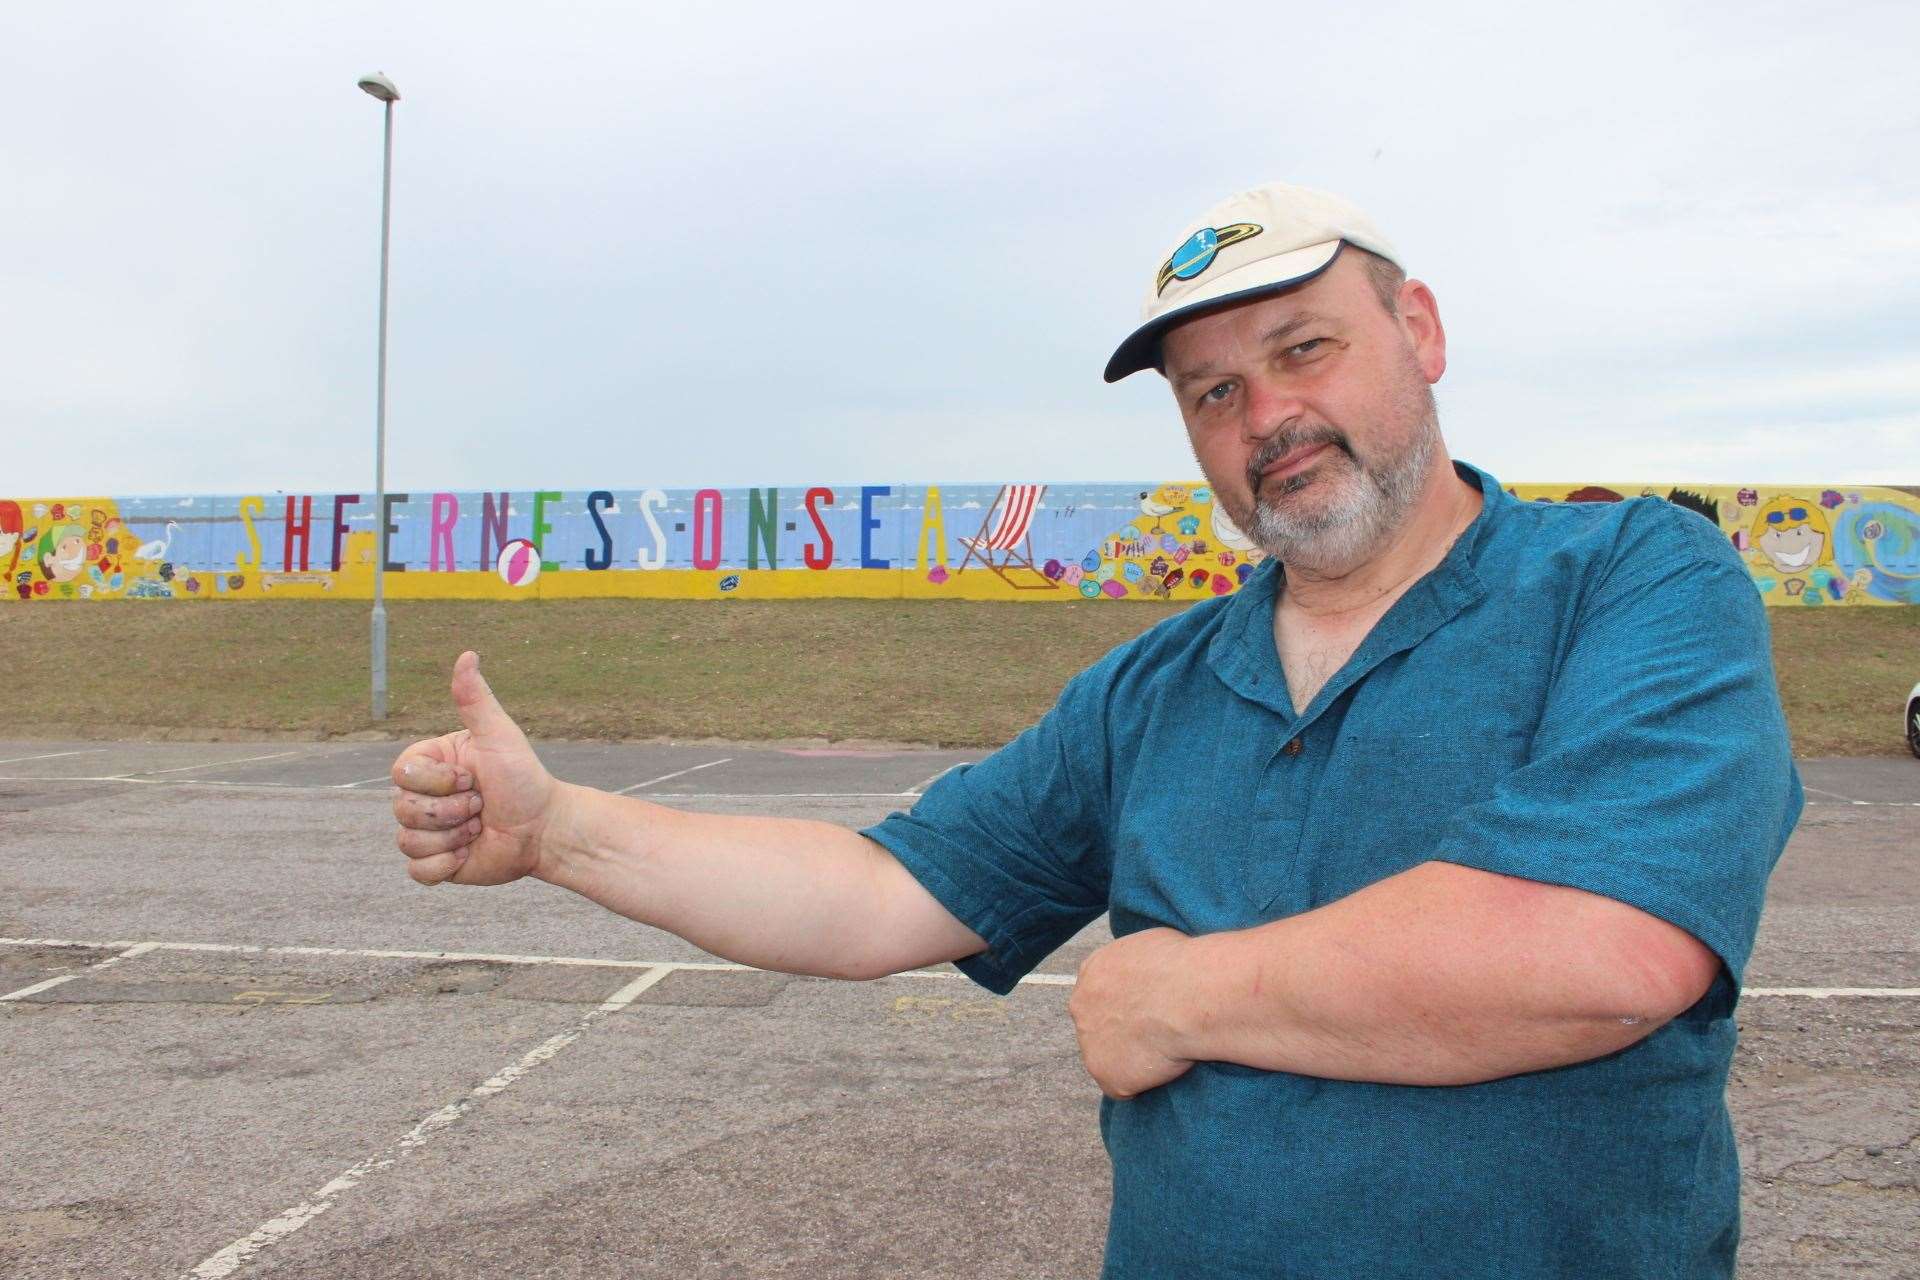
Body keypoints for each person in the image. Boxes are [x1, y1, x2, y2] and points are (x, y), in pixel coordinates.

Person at [390, 181, 1801, 1279]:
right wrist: (561, 831)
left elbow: (1602, 949)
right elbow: (883, 893)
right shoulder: (1156, 688)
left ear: (1420, 332)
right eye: (1214, 393)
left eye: (1305, 348)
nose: (1269, 415)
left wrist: (1173, 994)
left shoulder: (1631, 582)